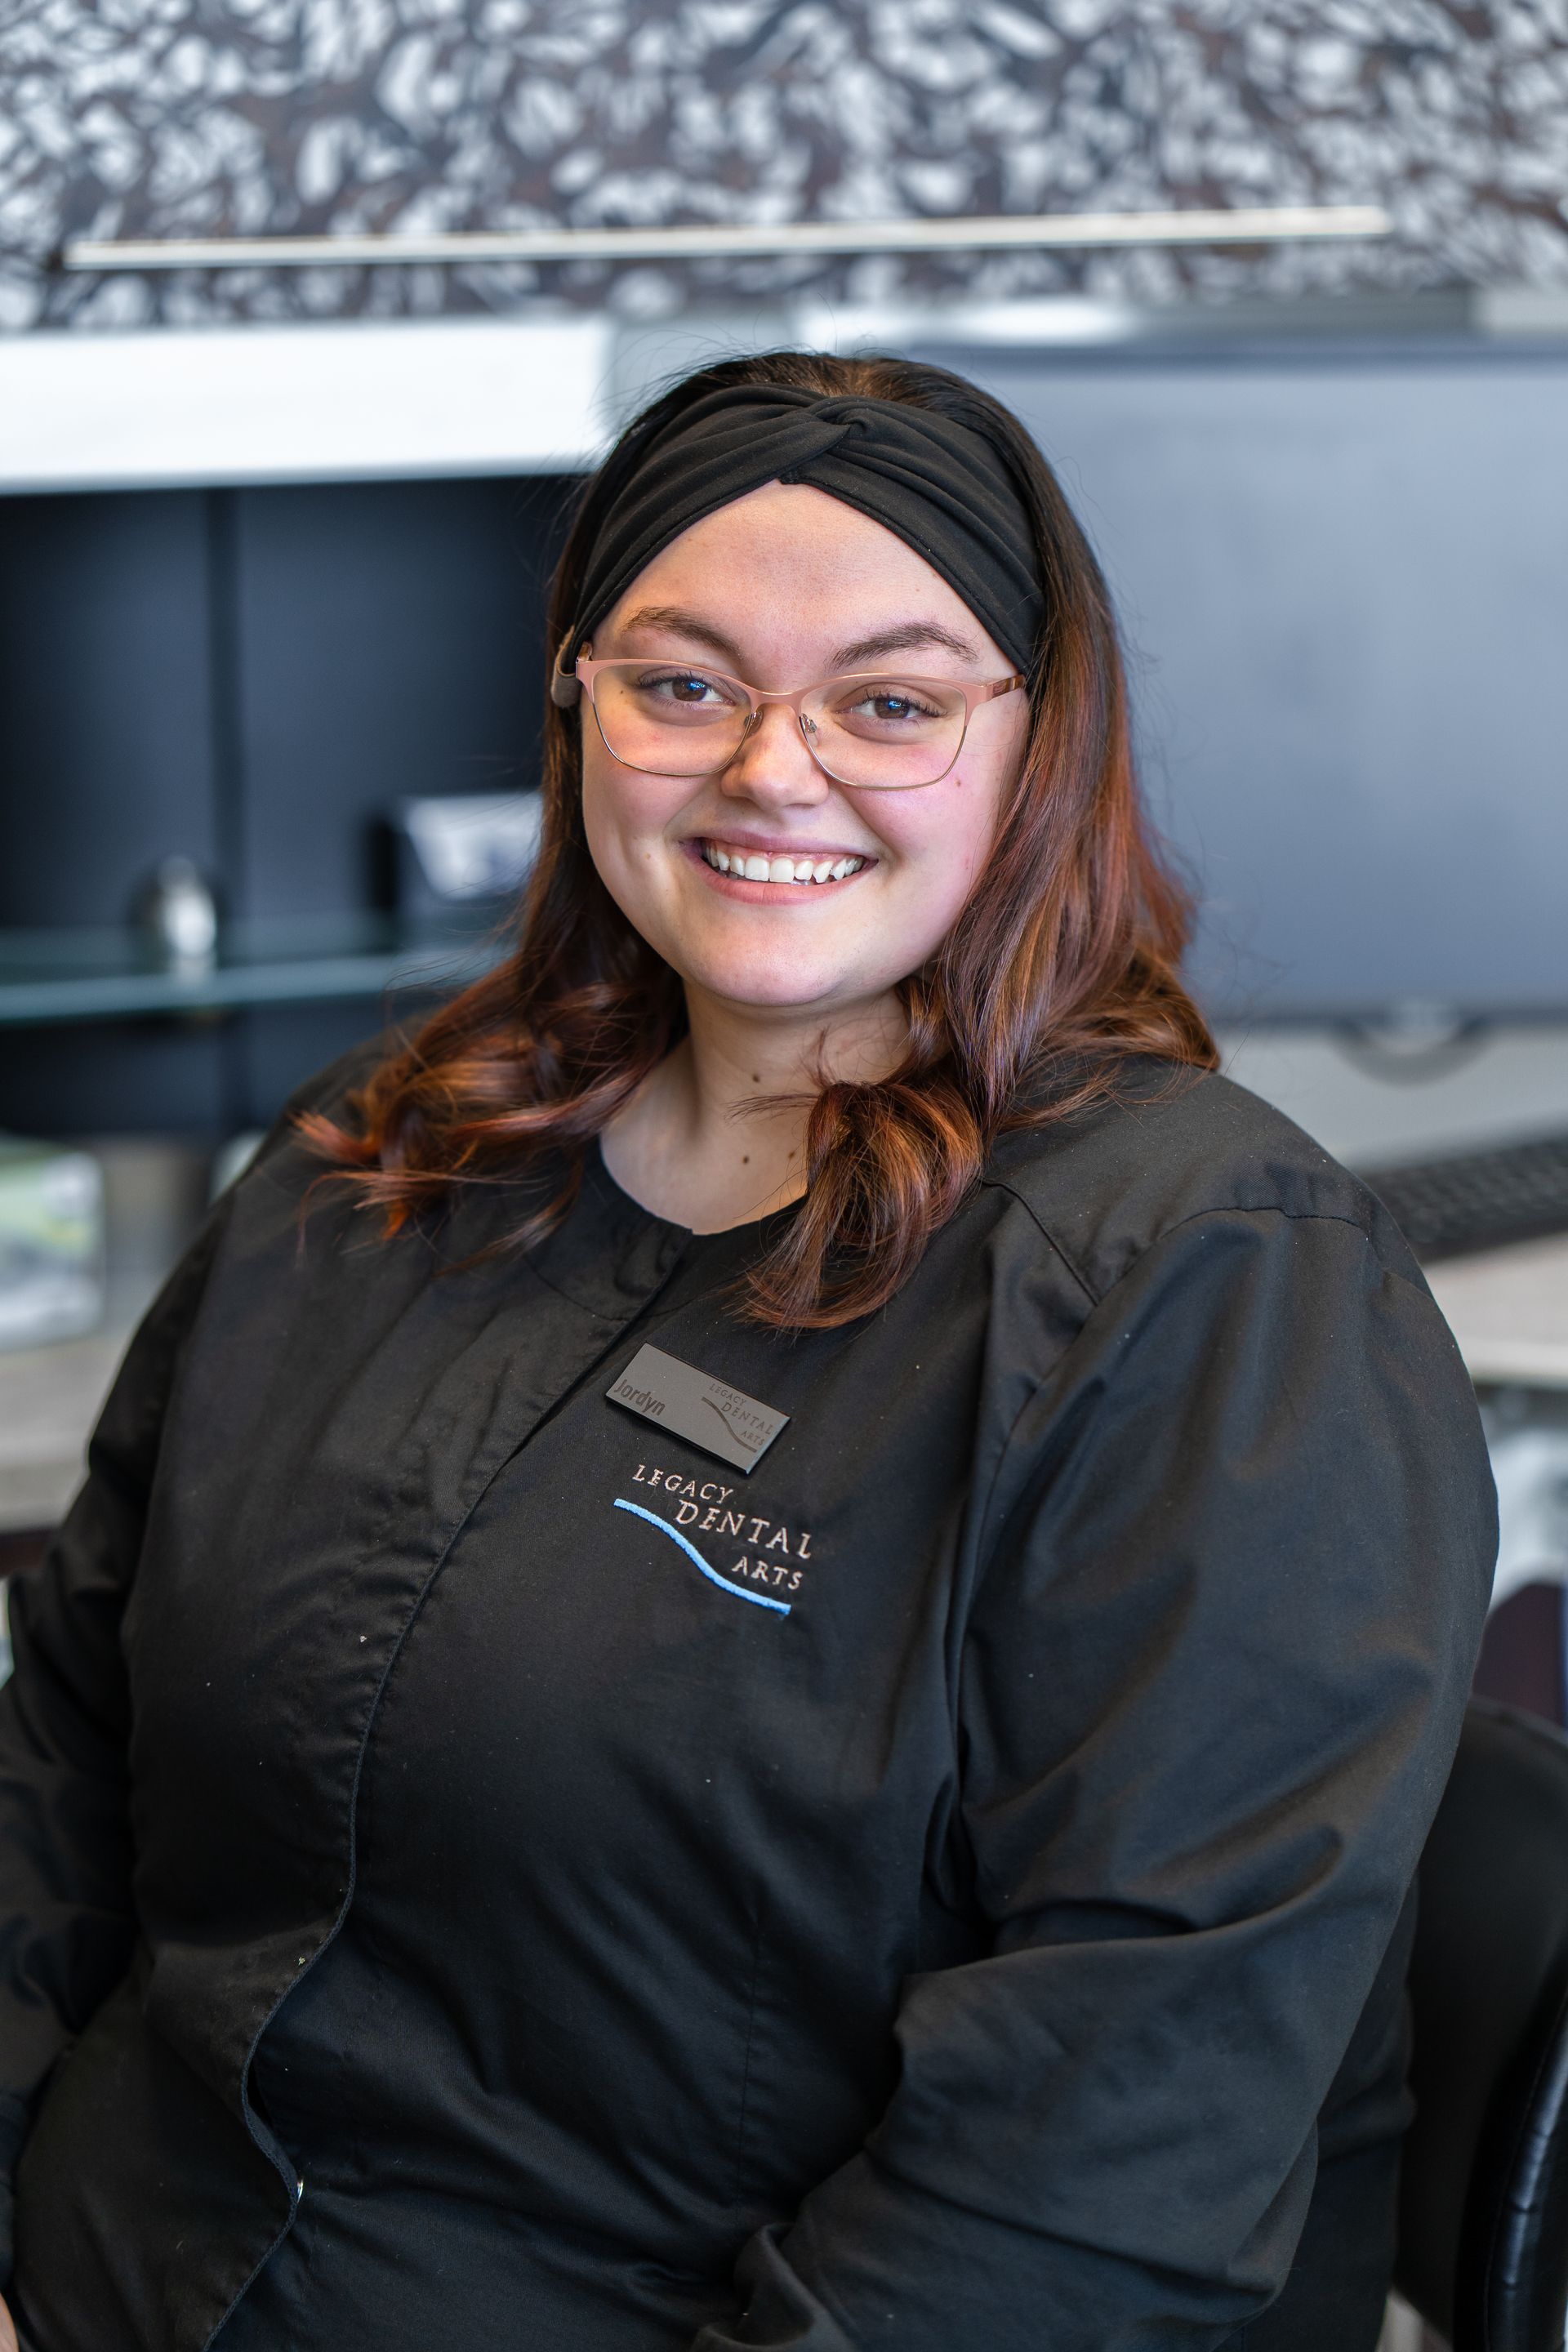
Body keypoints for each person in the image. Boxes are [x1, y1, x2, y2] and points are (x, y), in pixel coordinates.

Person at [0, 352, 1494, 2352]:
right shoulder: (383, 1155)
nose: (772, 770)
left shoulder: (1211, 1290)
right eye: (682, 682)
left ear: (1037, 746)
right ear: (576, 706)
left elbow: (1106, 2146)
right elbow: (62, 1755)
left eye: (889, 702)